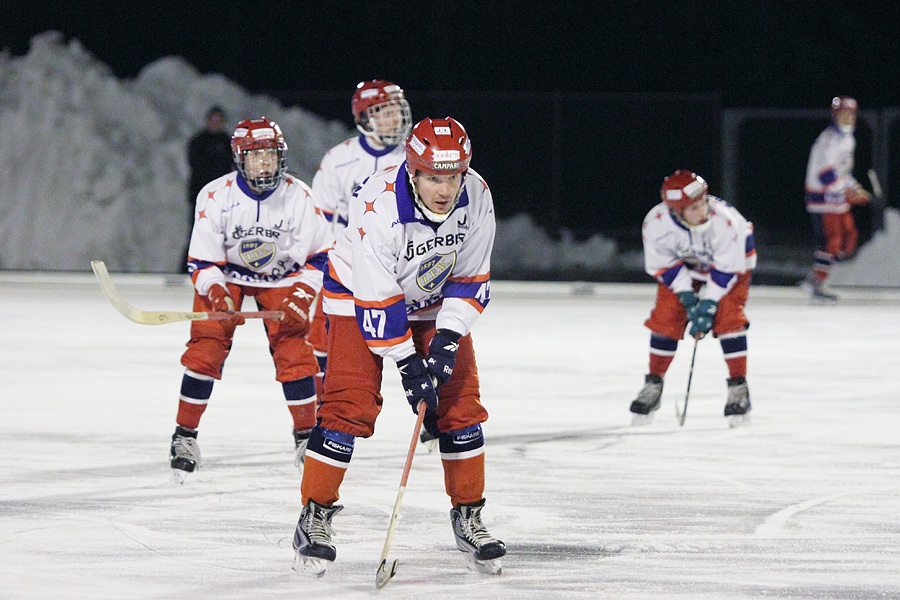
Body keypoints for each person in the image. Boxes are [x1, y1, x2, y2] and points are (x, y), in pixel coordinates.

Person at [291, 117, 506, 577]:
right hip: (357, 295)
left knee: (460, 404)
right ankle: (314, 515)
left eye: (452, 177)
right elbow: (377, 295)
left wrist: (447, 340)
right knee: (350, 404)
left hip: (431, 300)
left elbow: (471, 275)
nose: (444, 189)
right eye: (433, 177)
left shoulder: (478, 196)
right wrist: (409, 364)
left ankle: (469, 515)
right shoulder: (379, 203)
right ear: (413, 171)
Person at [169, 116, 334, 484]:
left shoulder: (300, 196)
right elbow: (202, 260)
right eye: (256, 156)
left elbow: (321, 255)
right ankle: (184, 435)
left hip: (283, 278)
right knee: (206, 347)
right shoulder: (215, 195)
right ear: (240, 159)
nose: (264, 164)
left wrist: (303, 293)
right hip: (226, 276)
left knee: (295, 349)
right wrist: (214, 291)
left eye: (270, 156)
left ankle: (306, 437)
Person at [307, 80, 412, 404]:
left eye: (397, 111)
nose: (394, 120)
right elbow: (319, 218)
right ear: (364, 118)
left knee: (419, 334)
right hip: (347, 264)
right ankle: (321, 413)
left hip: (401, 263)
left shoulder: (413, 155)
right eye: (384, 112)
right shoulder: (339, 159)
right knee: (323, 338)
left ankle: (434, 412)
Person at [630, 170, 756, 428]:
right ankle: (653, 385)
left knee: (729, 317)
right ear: (677, 212)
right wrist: (687, 298)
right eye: (694, 208)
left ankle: (739, 387)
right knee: (666, 317)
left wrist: (708, 305)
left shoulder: (727, 223)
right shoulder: (655, 224)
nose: (703, 212)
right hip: (686, 269)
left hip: (731, 267)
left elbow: (726, 270)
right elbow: (663, 265)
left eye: (703, 204)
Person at [802, 96, 871, 301]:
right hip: (822, 198)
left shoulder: (848, 138)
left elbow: (843, 173)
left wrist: (855, 188)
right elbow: (826, 174)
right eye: (843, 114)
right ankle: (818, 282)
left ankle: (817, 273)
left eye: (851, 114)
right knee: (832, 242)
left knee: (849, 239)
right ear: (835, 115)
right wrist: (847, 192)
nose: (847, 118)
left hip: (835, 198)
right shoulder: (829, 139)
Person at [183, 106, 234, 273]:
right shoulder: (199, 141)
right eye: (213, 119)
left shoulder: (228, 143)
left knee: (223, 233)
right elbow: (194, 165)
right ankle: (189, 268)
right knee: (198, 231)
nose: (216, 123)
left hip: (223, 196)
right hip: (201, 195)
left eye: (219, 119)